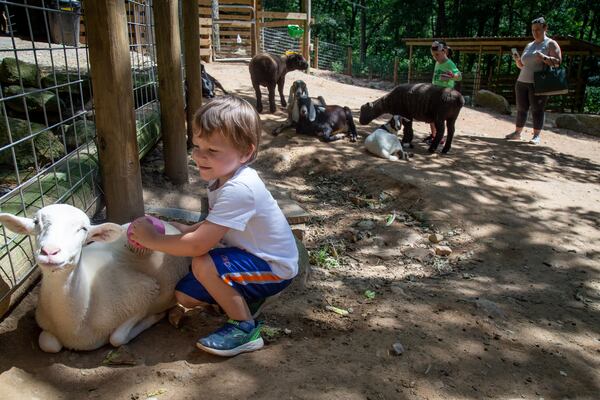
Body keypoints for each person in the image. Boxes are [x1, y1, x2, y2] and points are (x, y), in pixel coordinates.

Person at [129, 95, 299, 357]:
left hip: (274, 267)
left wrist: (152, 240)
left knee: (202, 263)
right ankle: (247, 299)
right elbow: (211, 225)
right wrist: (181, 229)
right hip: (248, 258)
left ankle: (245, 329)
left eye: (212, 151)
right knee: (185, 296)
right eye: (197, 146)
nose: (199, 157)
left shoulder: (240, 189)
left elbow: (200, 245)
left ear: (245, 152)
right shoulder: (221, 179)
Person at [505, 16, 562, 145]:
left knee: (537, 109)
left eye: (538, 30)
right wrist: (518, 61)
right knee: (521, 108)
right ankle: (517, 133)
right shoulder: (529, 45)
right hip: (522, 81)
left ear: (545, 28)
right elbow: (522, 65)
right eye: (533, 30)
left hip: (539, 83)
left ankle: (536, 136)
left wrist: (544, 57)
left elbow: (557, 63)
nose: (535, 32)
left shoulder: (550, 43)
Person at [426, 40, 462, 144]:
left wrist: (452, 76)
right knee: (431, 118)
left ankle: (439, 138)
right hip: (434, 92)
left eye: (437, 54)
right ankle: (434, 136)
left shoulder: (449, 63)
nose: (435, 57)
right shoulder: (437, 62)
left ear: (444, 51)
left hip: (444, 95)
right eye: (433, 55)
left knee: (439, 119)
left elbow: (459, 76)